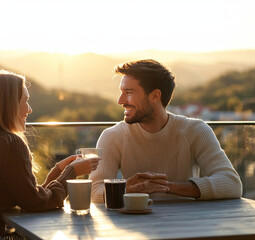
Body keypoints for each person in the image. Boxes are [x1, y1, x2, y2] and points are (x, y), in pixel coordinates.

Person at [0, 70, 100, 236]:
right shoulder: (7, 144)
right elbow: (36, 204)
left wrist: (58, 171)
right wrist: (71, 173)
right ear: (8, 105)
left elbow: (29, 197)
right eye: (26, 101)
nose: (29, 110)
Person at [90, 59, 242, 203]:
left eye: (129, 93)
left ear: (155, 96)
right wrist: (125, 189)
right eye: (121, 92)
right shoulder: (113, 136)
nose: (120, 101)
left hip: (190, 227)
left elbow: (231, 183)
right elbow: (93, 191)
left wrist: (168, 187)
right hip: (134, 225)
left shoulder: (195, 131)